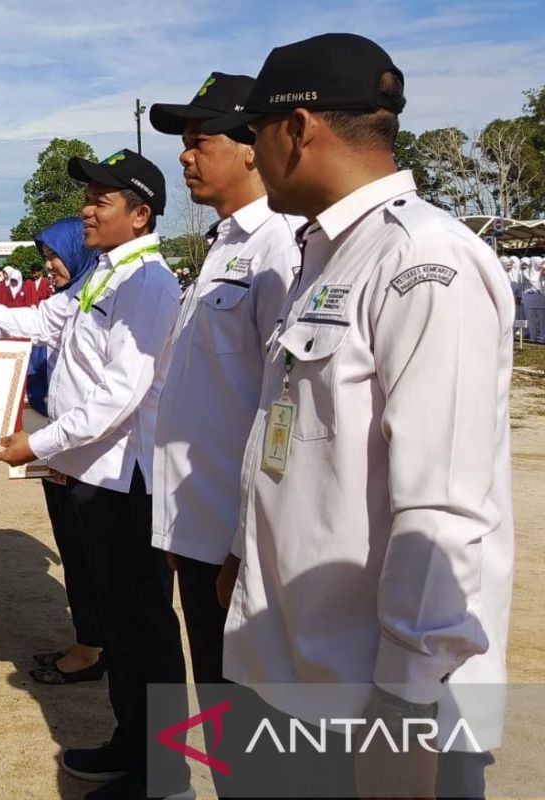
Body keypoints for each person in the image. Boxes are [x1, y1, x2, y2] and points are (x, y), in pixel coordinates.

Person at [203, 33, 513, 797]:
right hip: (295, 670)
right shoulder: (330, 254)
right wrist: (246, 553)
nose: (252, 153)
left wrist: (405, 704)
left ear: (299, 129)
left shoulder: (420, 263)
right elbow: (301, 437)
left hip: (373, 700)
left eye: (255, 133)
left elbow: (440, 505)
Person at [0, 149, 189, 799]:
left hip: (129, 483)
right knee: (121, 629)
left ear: (140, 213)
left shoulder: (145, 283)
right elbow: (40, 322)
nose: (86, 209)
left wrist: (37, 443)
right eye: (87, 197)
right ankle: (131, 747)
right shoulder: (101, 276)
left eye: (102, 199)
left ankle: (162, 774)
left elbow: (119, 396)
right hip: (96, 477)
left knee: (144, 633)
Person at [147, 73, 301, 708]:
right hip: (202, 527)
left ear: (250, 147)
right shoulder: (226, 243)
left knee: (248, 715)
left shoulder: (281, 247)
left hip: (241, 543)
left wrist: (244, 544)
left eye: (199, 139)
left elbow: (283, 407)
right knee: (216, 698)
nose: (185, 155)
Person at [21, 218, 105, 686]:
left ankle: (95, 648)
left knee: (92, 551)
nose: (49, 266)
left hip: (89, 454)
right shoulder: (65, 301)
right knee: (72, 546)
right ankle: (86, 639)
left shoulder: (100, 302)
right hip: (55, 445)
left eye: (55, 256)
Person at [525, 256, 545, 343]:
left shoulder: (542, 273)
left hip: (541, 300)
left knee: (542, 320)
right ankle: (533, 336)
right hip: (530, 301)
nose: (541, 265)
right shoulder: (526, 273)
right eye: (540, 263)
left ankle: (542, 336)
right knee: (531, 319)